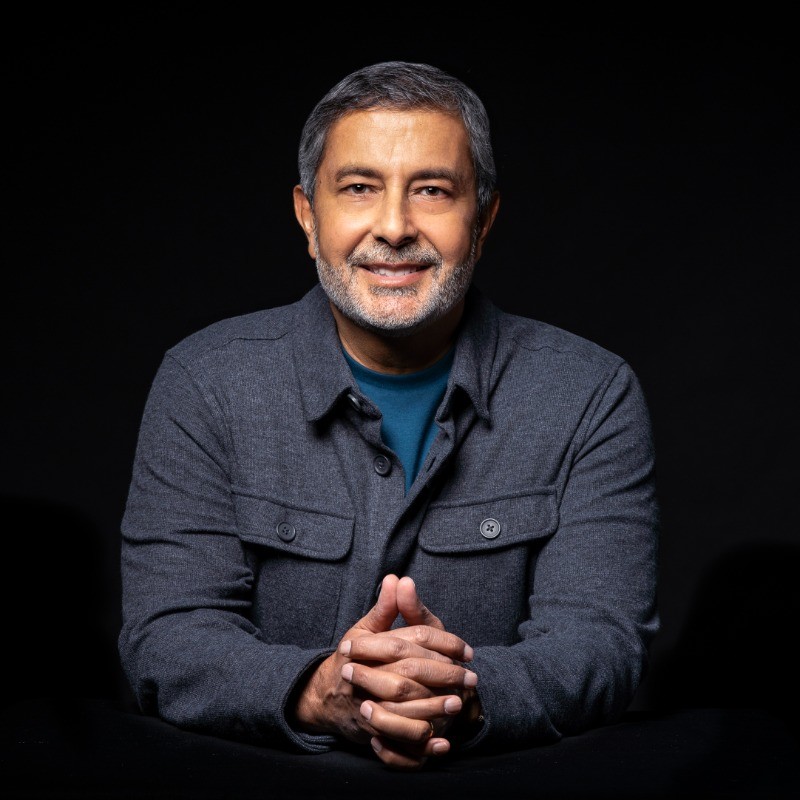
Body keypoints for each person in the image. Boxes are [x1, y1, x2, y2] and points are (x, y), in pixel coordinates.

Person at [118, 61, 659, 772]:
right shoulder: (204, 384)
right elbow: (167, 636)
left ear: (484, 219)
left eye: (432, 190)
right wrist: (319, 692)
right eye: (359, 188)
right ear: (308, 216)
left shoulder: (590, 394)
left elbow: (601, 641)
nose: (396, 227)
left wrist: (459, 693)